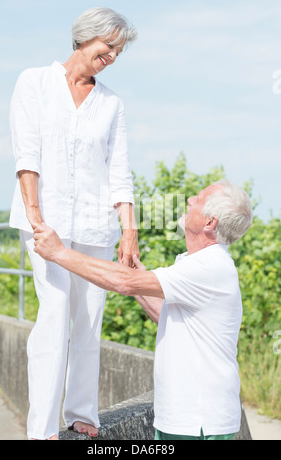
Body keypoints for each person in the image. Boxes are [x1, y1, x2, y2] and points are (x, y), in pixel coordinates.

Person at [33, 179, 253, 440]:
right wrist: (138, 280)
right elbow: (168, 317)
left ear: (209, 223)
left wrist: (59, 253)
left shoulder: (209, 267)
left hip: (199, 422)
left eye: (198, 199)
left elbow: (123, 283)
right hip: (185, 419)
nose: (189, 200)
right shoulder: (198, 263)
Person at [9, 7, 139, 440]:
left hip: (96, 228)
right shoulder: (34, 83)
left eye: (119, 50)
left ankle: (81, 413)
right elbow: (27, 155)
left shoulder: (112, 103)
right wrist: (36, 218)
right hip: (46, 228)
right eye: (110, 46)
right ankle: (42, 429)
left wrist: (129, 230)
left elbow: (119, 172)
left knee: (89, 319)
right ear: (86, 38)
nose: (114, 56)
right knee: (54, 315)